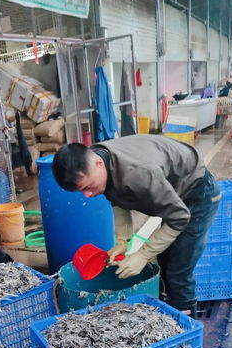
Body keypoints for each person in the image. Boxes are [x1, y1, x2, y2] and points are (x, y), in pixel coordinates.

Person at [52, 136, 221, 318]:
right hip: (170, 194)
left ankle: (186, 331)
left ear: (98, 163)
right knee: (164, 258)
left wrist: (142, 254)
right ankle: (169, 310)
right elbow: (116, 197)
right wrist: (123, 240)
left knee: (178, 271)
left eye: (90, 187)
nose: (87, 195)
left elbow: (179, 217)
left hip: (196, 192)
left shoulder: (139, 173)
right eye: (81, 191)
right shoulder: (97, 159)